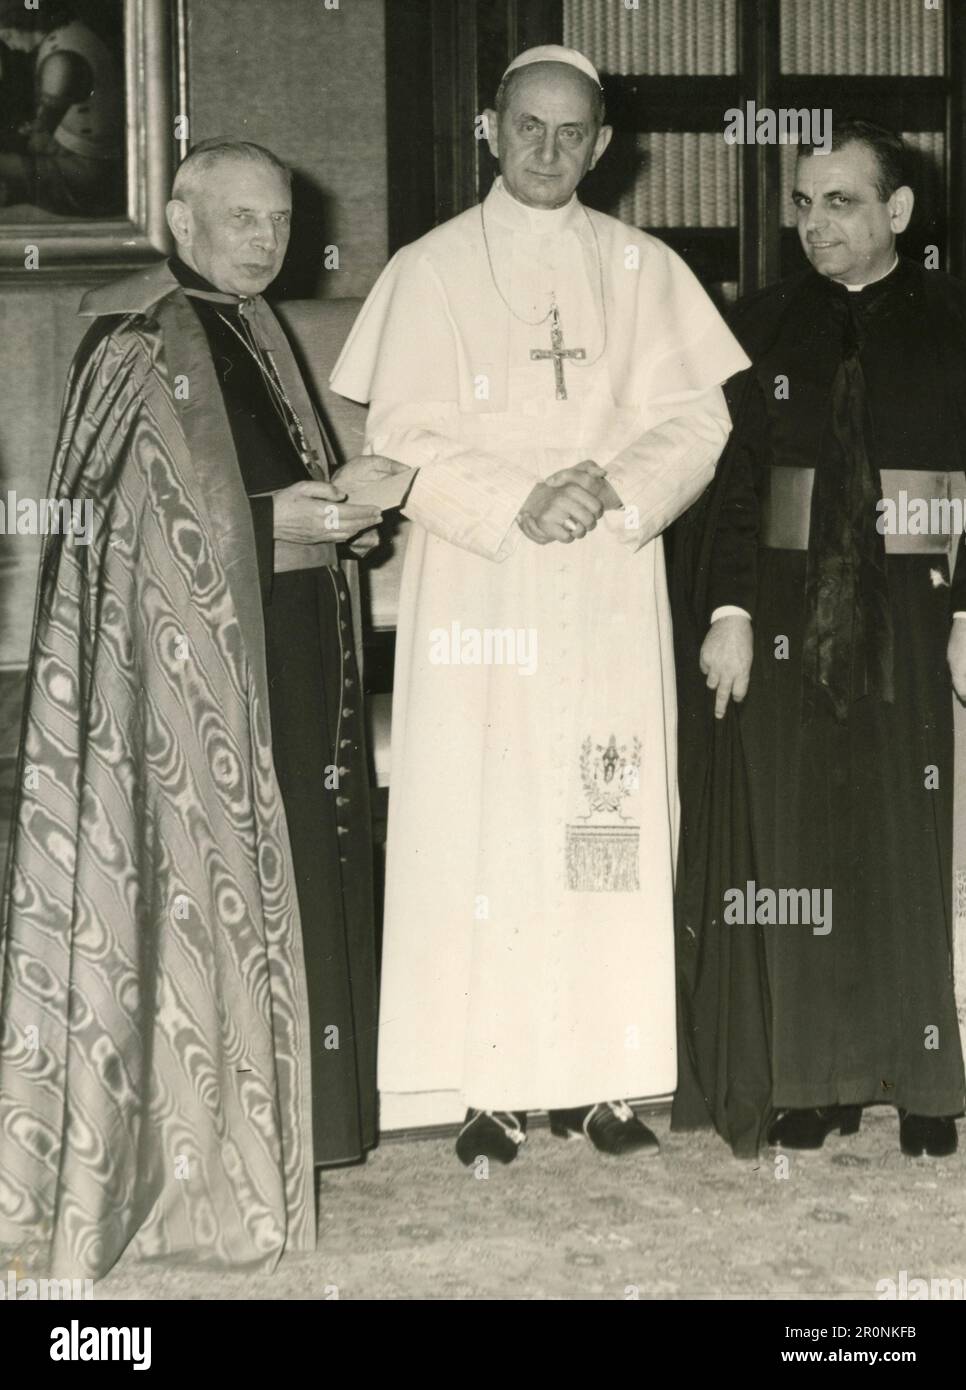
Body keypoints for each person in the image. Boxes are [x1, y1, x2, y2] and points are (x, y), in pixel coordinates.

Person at [331, 46, 748, 1165]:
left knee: (599, 821)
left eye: (574, 134)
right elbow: (399, 432)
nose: (550, 152)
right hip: (484, 578)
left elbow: (698, 422)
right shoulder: (429, 270)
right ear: (488, 127)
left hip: (608, 575)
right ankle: (487, 1085)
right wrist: (520, 497)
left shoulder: (644, 267)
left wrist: (608, 487)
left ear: (604, 146)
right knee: (481, 821)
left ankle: (609, 1076)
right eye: (529, 128)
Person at [0, 138, 400, 1278]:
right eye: (241, 220)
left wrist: (344, 516)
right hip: (190, 680)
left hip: (290, 641)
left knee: (310, 876)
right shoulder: (137, 336)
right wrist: (292, 526)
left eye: (278, 220)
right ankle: (205, 1157)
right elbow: (120, 541)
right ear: (179, 222)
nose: (267, 241)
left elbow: (262, 481)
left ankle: (298, 1130)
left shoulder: (255, 323)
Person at [673, 119, 966, 1160]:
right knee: (797, 841)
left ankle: (922, 1073)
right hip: (790, 606)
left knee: (907, 832)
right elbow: (738, 488)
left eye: (839, 201)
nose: (814, 223)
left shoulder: (951, 322)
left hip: (918, 601)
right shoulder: (755, 329)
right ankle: (813, 1075)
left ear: (898, 214)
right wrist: (732, 614)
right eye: (803, 202)